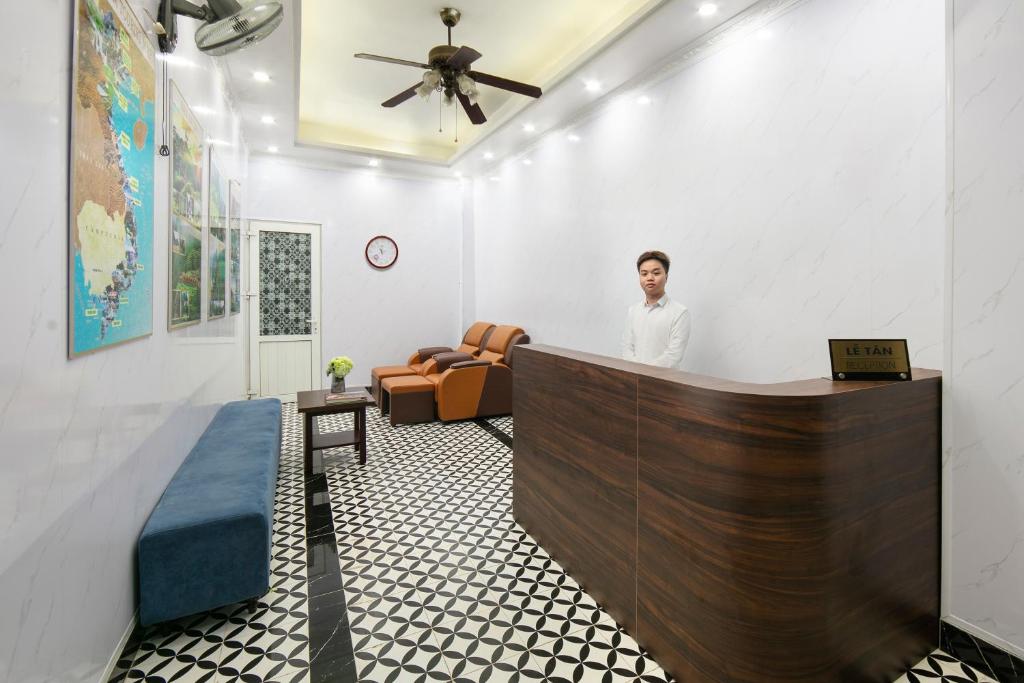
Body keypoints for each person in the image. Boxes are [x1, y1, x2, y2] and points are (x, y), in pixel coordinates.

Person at [621, 250, 691, 369]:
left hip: (665, 383)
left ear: (666, 277)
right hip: (634, 380)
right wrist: (637, 371)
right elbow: (626, 347)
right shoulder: (633, 311)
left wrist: (644, 371)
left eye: (656, 273)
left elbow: (673, 355)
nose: (649, 278)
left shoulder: (680, 312)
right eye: (644, 274)